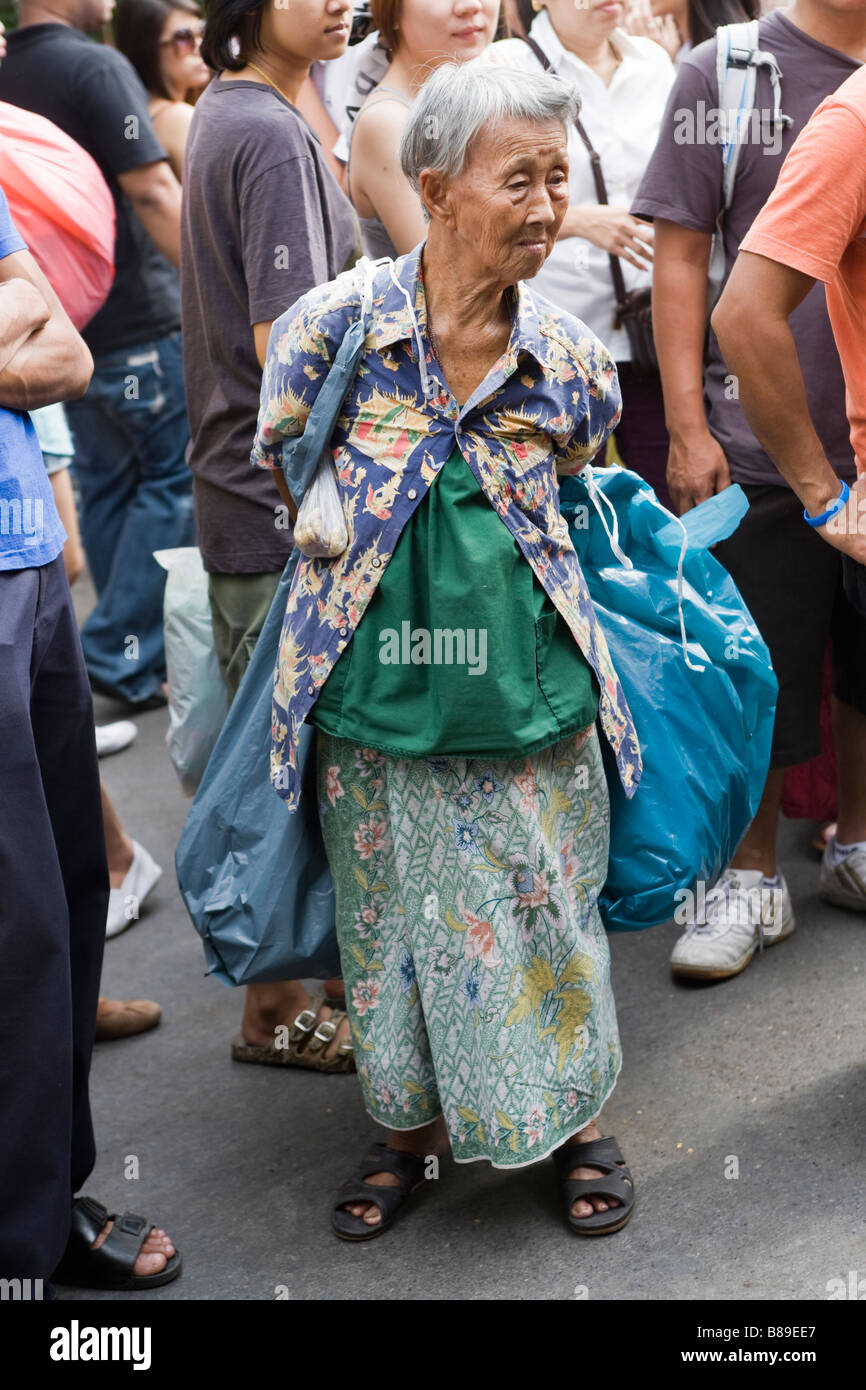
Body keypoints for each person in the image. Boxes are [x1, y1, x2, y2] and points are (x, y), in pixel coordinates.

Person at [253, 61, 642, 1239]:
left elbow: (583, 481)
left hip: (530, 690)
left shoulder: (565, 356)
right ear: (434, 188)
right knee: (390, 934)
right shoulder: (336, 329)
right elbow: (278, 447)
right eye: (514, 179)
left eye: (556, 179)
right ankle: (408, 1137)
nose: (543, 206)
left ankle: (574, 1123)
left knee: (547, 909)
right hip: (373, 693)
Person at [632, 0, 866, 981]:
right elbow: (686, 262)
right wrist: (689, 426)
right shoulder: (729, 74)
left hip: (852, 453)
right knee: (757, 664)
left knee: (858, 668)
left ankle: (851, 845)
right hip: (768, 444)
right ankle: (748, 874)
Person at [0, 187, 180, 1291]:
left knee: (69, 890)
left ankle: (45, 1190)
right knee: (12, 916)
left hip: (22, 551)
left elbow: (63, 351)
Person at [182, 0, 360, 1070]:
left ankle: (320, 982)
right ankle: (273, 1011)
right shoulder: (260, 128)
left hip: (249, 500)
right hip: (279, 512)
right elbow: (289, 352)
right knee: (292, 775)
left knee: (290, 764)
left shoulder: (242, 109)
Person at [0, 0, 194, 710]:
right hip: (138, 323)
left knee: (113, 490)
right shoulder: (95, 65)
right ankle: (114, 649)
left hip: (61, 337)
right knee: (175, 481)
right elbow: (152, 187)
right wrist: (209, 297)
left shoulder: (10, 75)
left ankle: (128, 659)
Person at [712, 63, 866, 898]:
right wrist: (823, 495)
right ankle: (749, 874)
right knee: (778, 668)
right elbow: (743, 313)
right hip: (805, 486)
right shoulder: (856, 123)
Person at [496, 0, 675, 505]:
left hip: (650, 333)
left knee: (663, 502)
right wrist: (579, 222)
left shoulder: (654, 63)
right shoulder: (508, 67)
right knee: (558, 507)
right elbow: (481, 198)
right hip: (552, 341)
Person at [346, 0, 500, 257]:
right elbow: (450, 272)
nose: (470, 6)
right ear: (392, 12)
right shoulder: (389, 123)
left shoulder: (500, 81)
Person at [114, 0, 211, 181]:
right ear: (147, 50)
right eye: (183, 38)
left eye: (203, 33)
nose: (200, 47)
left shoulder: (134, 113)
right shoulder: (180, 118)